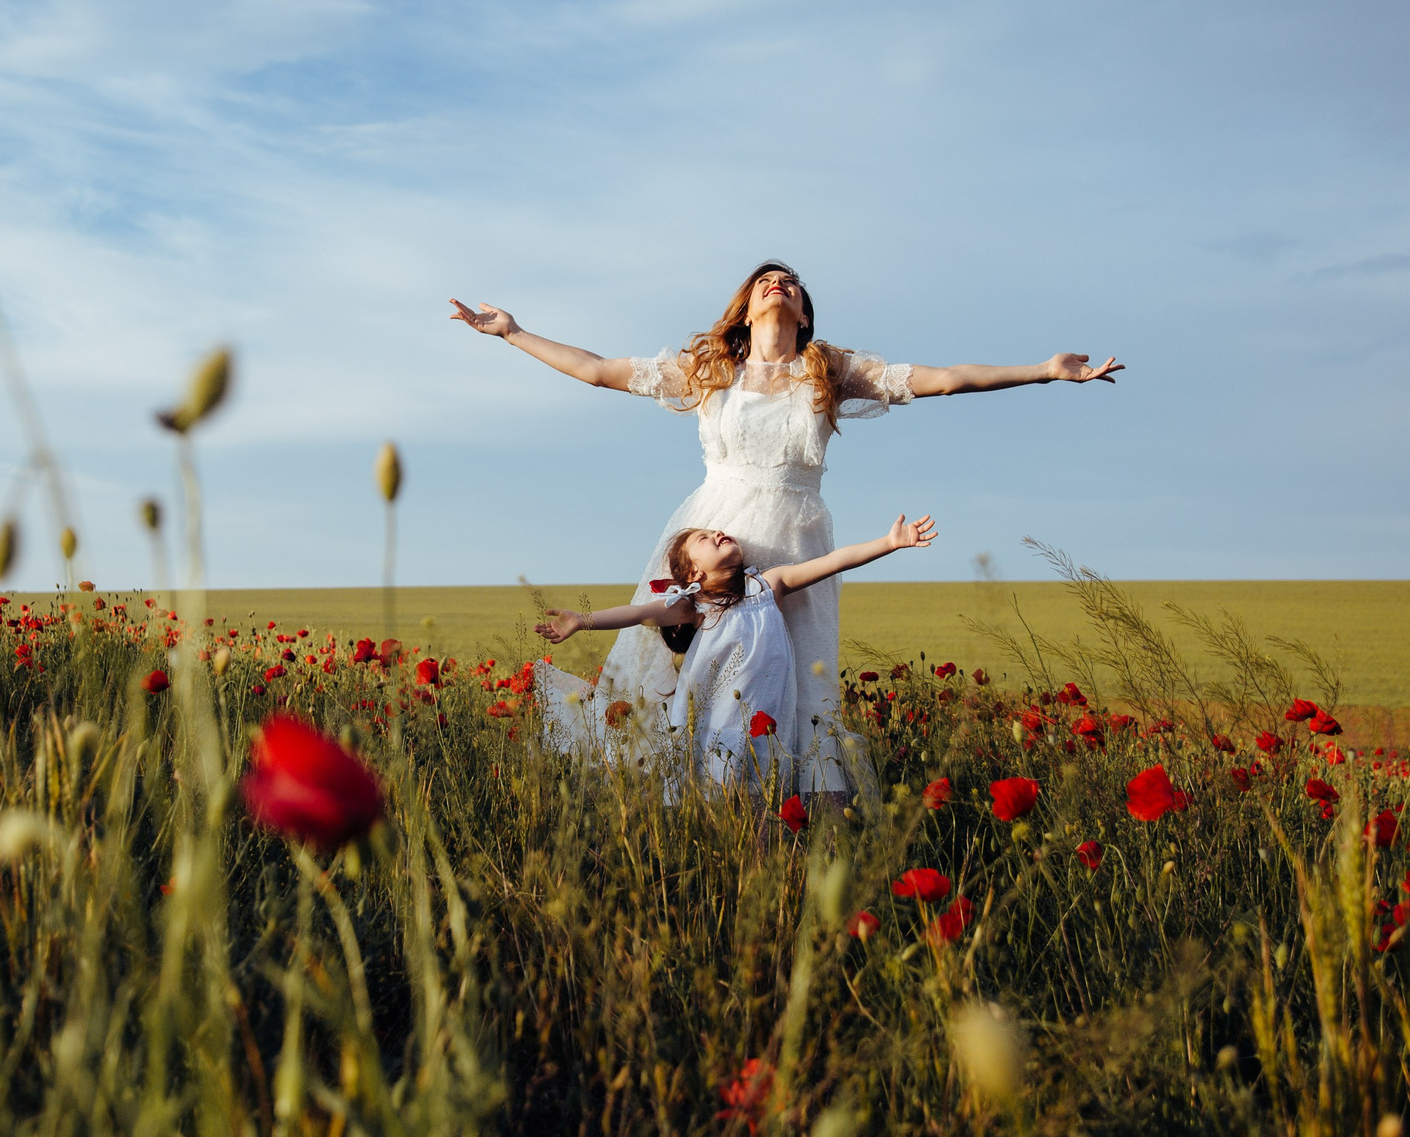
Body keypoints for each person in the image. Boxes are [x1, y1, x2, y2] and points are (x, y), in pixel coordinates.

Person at [450, 260, 1120, 794]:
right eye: (766, 280)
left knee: (799, 687)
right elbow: (598, 371)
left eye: (791, 283)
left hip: (796, 542)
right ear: (746, 308)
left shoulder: (828, 372)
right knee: (685, 680)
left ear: (803, 314)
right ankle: (689, 807)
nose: (779, 284)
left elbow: (943, 379)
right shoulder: (710, 371)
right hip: (710, 541)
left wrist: (1043, 371)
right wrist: (513, 332)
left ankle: (799, 823)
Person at [535, 514, 938, 796]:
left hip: (768, 722)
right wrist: (582, 620)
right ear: (693, 574)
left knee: (764, 794)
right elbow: (638, 613)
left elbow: (831, 562)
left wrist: (889, 543)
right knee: (716, 791)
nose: (718, 532)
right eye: (704, 539)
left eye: (715, 531)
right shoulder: (693, 607)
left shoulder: (769, 585)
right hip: (717, 724)